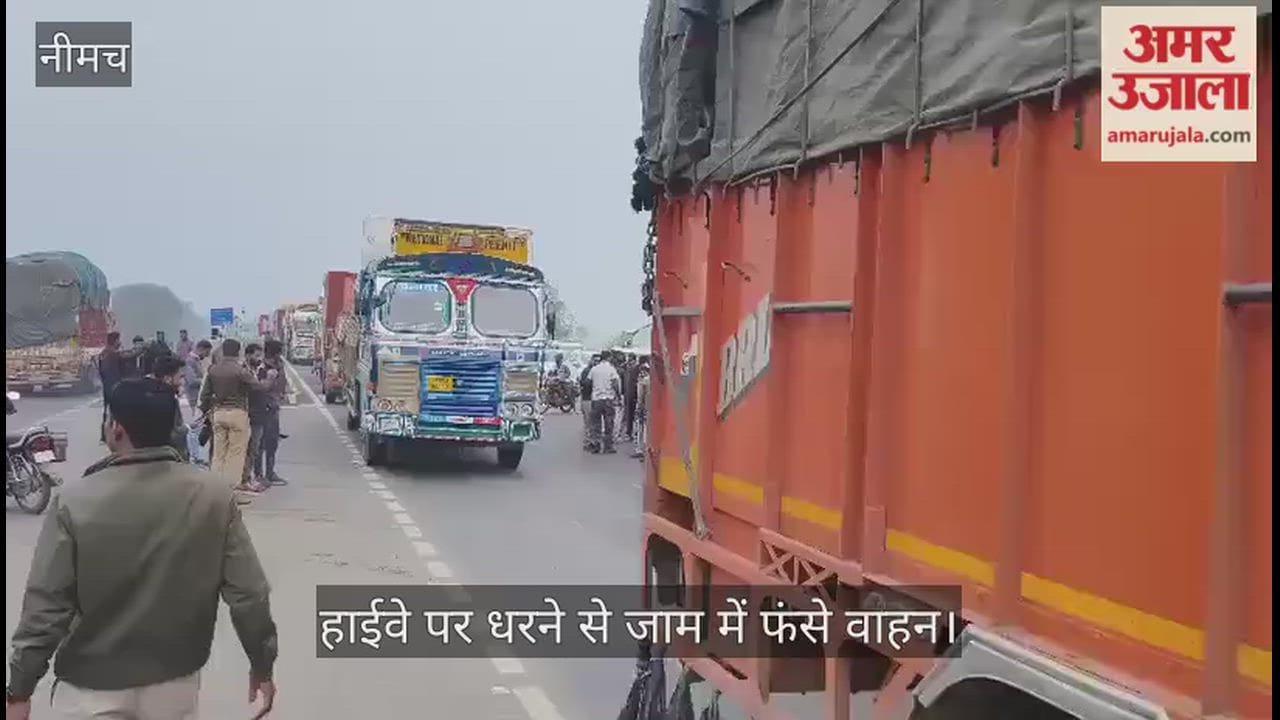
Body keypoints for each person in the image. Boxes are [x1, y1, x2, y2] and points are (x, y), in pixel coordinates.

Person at [5, 378, 278, 720]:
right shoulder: (214, 495)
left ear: (116, 429)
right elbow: (249, 594)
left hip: (90, 690)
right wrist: (262, 665)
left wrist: (19, 690)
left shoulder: (74, 502)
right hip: (174, 685)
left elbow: (46, 608)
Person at [200, 339, 272, 500]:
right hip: (237, 413)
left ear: (223, 351)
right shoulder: (240, 371)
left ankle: (215, 489)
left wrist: (207, 413)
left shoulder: (213, 369)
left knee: (218, 454)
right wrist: (270, 379)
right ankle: (231, 493)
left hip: (218, 413)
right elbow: (259, 387)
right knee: (236, 454)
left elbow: (205, 395)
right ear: (238, 352)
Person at [255, 340, 289, 487]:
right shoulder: (262, 367)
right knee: (261, 443)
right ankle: (259, 474)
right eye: (279, 351)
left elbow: (282, 383)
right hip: (264, 408)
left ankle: (270, 472)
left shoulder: (279, 365)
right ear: (275, 353)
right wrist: (270, 379)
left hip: (274, 407)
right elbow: (260, 387)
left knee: (272, 442)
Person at [241, 344, 270, 492]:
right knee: (244, 448)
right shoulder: (242, 371)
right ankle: (243, 479)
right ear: (247, 355)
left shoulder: (261, 370)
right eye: (256, 355)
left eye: (261, 356)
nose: (260, 359)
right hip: (245, 414)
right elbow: (258, 388)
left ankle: (249, 477)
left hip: (259, 414)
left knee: (254, 448)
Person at [587, 353, 623, 454]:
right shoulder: (611, 369)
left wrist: (595, 390)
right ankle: (608, 446)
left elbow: (588, 382)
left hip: (596, 399)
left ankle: (596, 445)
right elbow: (615, 383)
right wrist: (618, 395)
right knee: (609, 423)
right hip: (608, 399)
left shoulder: (594, 369)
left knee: (596, 423)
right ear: (609, 358)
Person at [96, 332, 125, 443]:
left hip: (106, 386)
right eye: (118, 340)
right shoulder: (114, 354)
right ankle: (117, 434)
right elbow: (118, 371)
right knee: (116, 411)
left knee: (106, 411)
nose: (120, 342)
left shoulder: (103, 353)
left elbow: (101, 371)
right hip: (115, 386)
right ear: (114, 341)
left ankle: (104, 435)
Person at [182, 340, 213, 415]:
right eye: (207, 352)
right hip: (193, 397)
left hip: (197, 396)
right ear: (201, 349)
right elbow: (192, 381)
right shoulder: (189, 361)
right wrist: (206, 381)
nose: (207, 355)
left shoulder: (197, 361)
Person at [578, 354, 600, 451]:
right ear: (591, 360)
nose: (596, 362)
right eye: (595, 360)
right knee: (588, 421)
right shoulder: (587, 371)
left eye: (598, 361)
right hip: (587, 399)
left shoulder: (596, 371)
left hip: (593, 399)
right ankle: (589, 442)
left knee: (592, 422)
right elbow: (584, 384)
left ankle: (591, 441)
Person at [631, 359, 651, 459]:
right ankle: (647, 450)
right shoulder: (652, 380)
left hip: (643, 407)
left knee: (640, 429)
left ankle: (640, 449)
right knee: (647, 429)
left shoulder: (643, 381)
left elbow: (640, 396)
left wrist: (638, 407)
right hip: (651, 408)